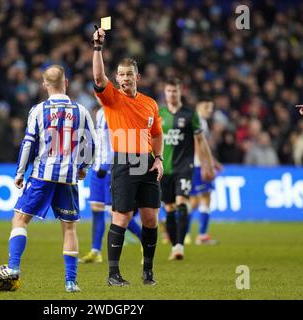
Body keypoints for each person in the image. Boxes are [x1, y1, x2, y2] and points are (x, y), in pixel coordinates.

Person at [0, 65, 96, 293]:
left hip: (42, 176)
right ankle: (70, 282)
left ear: (45, 84)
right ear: (65, 83)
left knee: (19, 219)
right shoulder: (81, 111)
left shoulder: (38, 110)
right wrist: (84, 167)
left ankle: (14, 267)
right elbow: (92, 144)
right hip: (68, 178)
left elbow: (28, 143)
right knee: (69, 229)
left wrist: (19, 172)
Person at [92, 27, 164, 286]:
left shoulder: (150, 103)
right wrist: (98, 48)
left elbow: (157, 134)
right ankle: (113, 274)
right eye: (121, 74)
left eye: (129, 74)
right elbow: (98, 76)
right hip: (123, 161)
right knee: (121, 217)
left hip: (146, 162)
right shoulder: (111, 98)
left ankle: (148, 271)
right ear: (117, 77)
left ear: (137, 77)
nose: (124, 78)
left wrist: (159, 159)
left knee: (150, 218)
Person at [159, 79, 215, 261]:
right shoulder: (159, 114)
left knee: (182, 203)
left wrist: (208, 164)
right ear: (165, 92)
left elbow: (201, 141)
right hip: (164, 169)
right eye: (168, 91)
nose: (172, 94)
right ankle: (174, 242)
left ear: (180, 91)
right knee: (169, 208)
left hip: (184, 167)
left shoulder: (190, 114)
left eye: (174, 91)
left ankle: (179, 246)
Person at [79, 107, 142, 264]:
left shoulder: (117, 113)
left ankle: (145, 240)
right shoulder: (100, 113)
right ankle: (95, 251)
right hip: (96, 170)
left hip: (111, 171)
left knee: (116, 214)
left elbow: (118, 145)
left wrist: (106, 167)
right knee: (96, 210)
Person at [186, 97, 222, 245]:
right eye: (206, 107)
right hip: (198, 165)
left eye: (211, 108)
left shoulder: (199, 120)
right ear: (198, 107)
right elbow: (197, 144)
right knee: (205, 198)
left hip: (192, 164)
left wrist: (213, 162)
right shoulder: (199, 121)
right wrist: (205, 166)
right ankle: (202, 235)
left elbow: (204, 146)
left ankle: (182, 232)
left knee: (193, 201)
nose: (209, 111)